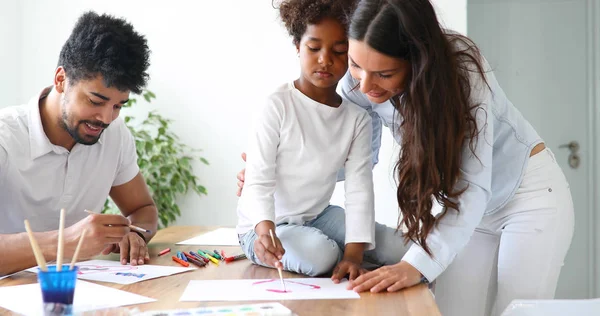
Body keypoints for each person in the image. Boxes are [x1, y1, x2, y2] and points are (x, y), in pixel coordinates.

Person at [239, 0, 575, 315]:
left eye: (384, 74)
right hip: (467, 214)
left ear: (417, 61)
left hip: (527, 196)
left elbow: (474, 185)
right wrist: (279, 173)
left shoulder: (462, 71)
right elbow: (354, 163)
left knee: (516, 310)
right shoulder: (358, 86)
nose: (365, 85)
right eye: (355, 65)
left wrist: (413, 264)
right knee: (450, 310)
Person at [237, 0, 405, 281]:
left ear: (353, 54)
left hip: (320, 215)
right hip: (268, 224)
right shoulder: (276, 105)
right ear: (297, 47)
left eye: (339, 51)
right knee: (320, 256)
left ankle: (346, 256)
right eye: (314, 48)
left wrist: (354, 254)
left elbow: (359, 188)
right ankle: (329, 255)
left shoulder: (357, 118)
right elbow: (259, 178)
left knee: (400, 248)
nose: (325, 60)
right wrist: (263, 229)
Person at [0, 11, 157, 277]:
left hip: (83, 292)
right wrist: (66, 242)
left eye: (118, 105)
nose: (106, 118)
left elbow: (143, 210)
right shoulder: (6, 138)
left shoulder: (115, 134)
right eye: (96, 101)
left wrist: (134, 233)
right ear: (61, 79)